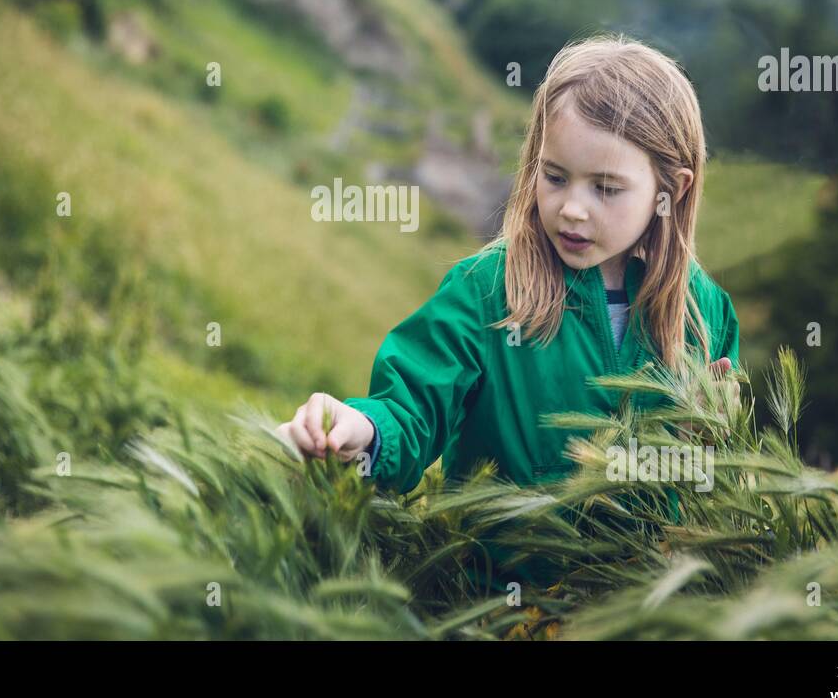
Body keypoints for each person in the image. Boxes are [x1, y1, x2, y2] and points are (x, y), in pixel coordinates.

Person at [279, 34, 740, 521]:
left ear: (671, 188)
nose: (572, 209)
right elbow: (411, 408)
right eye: (555, 177)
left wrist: (712, 436)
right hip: (492, 589)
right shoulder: (484, 291)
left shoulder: (704, 313)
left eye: (606, 188)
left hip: (639, 589)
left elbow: (709, 472)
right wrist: (364, 429)